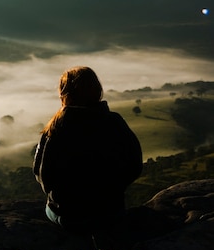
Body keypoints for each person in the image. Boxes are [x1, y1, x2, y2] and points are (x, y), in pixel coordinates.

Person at [33, 66, 142, 234]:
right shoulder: (115, 122)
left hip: (69, 217)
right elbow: (135, 165)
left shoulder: (55, 128)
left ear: (64, 93)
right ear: (97, 90)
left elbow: (43, 177)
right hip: (110, 214)